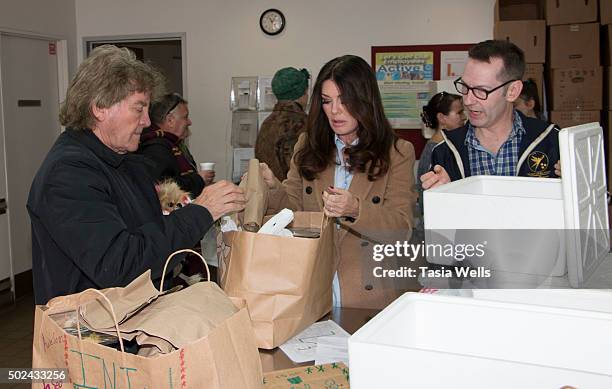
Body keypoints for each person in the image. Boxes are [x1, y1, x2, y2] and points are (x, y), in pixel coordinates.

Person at [27, 45, 246, 304]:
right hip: (94, 333)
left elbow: (147, 227)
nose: (146, 121)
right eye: (138, 108)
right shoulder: (68, 174)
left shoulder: (123, 159)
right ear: (100, 108)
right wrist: (201, 211)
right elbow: (120, 264)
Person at [259, 55, 419, 310]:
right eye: (326, 101)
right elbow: (292, 207)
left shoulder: (398, 152)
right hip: (311, 288)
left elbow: (401, 229)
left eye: (344, 100)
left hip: (367, 293)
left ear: (365, 100)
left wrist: (356, 209)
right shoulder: (307, 145)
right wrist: (270, 188)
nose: (334, 110)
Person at [421, 40, 561, 190]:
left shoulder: (552, 141)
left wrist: (572, 185)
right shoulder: (445, 152)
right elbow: (436, 211)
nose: (467, 101)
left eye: (481, 91)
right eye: (465, 87)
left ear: (512, 91)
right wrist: (444, 196)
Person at [139, 93, 213, 198]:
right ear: (170, 120)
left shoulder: (174, 145)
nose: (189, 122)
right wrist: (199, 180)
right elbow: (164, 189)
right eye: (185, 117)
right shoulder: (155, 149)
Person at [255, 67, 309, 181]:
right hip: (293, 196)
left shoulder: (267, 123)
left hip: (269, 194)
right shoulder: (305, 124)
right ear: (303, 93)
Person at [417, 92, 465, 200]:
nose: (464, 117)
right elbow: (425, 196)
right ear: (442, 118)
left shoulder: (452, 146)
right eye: (459, 113)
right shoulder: (435, 150)